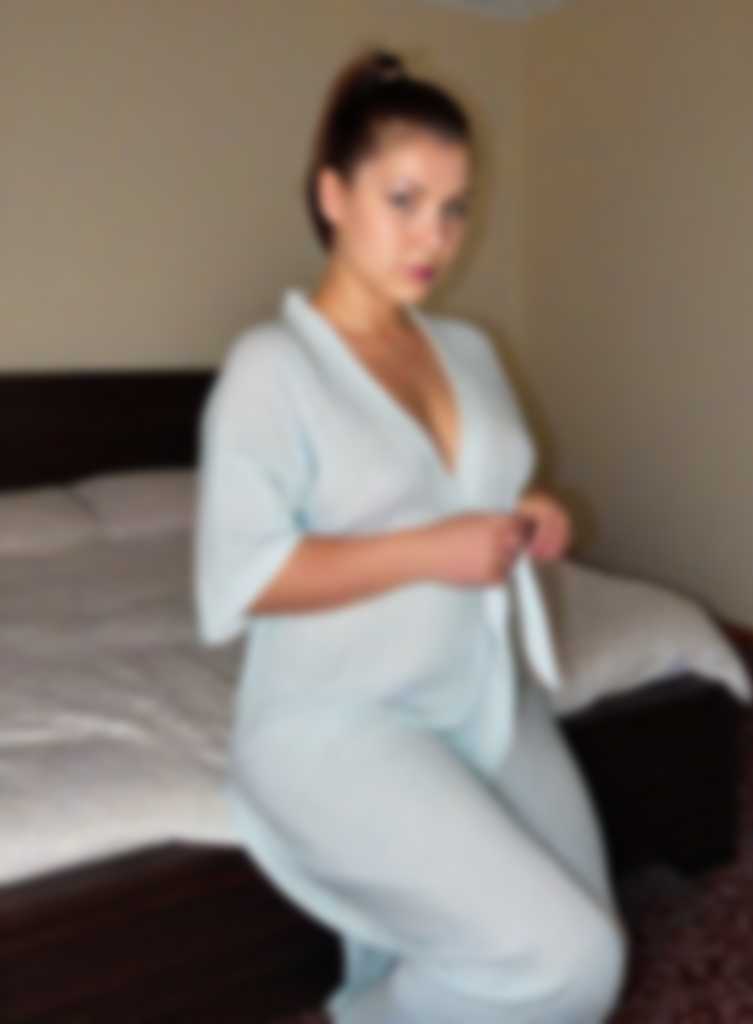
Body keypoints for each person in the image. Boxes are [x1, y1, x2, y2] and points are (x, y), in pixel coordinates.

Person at [194, 47, 628, 1024]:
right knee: (575, 962)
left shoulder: (467, 350)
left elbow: (479, 490)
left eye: (454, 208)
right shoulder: (273, 367)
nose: (434, 237)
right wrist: (431, 551)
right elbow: (243, 577)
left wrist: (533, 513)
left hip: (481, 692)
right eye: (405, 200)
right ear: (333, 195)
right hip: (337, 717)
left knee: (584, 941)